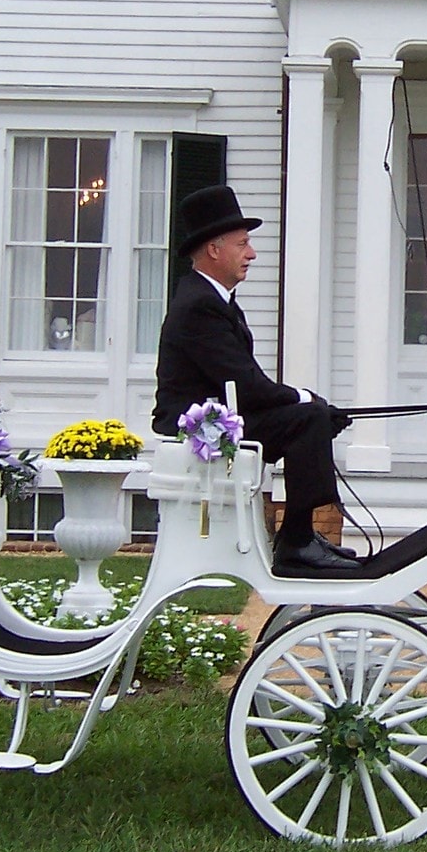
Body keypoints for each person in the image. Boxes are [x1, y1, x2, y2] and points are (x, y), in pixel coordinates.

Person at [152, 184, 359, 574]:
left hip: (225, 418)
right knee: (307, 418)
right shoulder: (199, 306)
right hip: (197, 431)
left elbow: (245, 384)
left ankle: (300, 536)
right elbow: (245, 386)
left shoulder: (213, 300)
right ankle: (296, 541)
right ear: (214, 249)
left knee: (309, 417)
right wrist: (305, 399)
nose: (252, 253)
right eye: (242, 244)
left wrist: (306, 404)